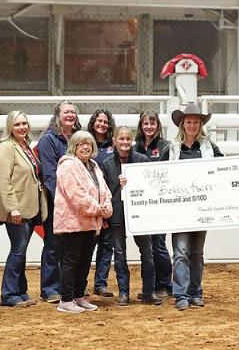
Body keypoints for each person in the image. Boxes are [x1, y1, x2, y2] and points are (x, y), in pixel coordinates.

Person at [169, 103, 224, 311]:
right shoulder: (172, 148)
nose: (192, 125)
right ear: (182, 125)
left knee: (197, 252)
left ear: (200, 125)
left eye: (195, 122)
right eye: (188, 121)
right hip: (180, 208)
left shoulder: (210, 148)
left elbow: (224, 169)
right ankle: (181, 294)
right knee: (181, 251)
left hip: (202, 207)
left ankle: (195, 292)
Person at [101, 126, 162, 306]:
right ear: (114, 141)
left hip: (140, 215)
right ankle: (124, 293)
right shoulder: (106, 164)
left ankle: (148, 292)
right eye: (122, 139)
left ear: (132, 141)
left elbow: (151, 186)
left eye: (128, 139)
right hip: (117, 215)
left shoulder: (143, 160)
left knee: (148, 254)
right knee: (119, 255)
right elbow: (104, 192)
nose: (125, 142)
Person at [54, 130, 112, 313]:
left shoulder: (94, 165)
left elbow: (104, 191)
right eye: (81, 144)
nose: (85, 147)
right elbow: (76, 196)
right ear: (74, 147)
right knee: (71, 261)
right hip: (73, 223)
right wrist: (97, 209)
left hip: (90, 223)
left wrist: (106, 207)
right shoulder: (68, 166)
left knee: (84, 262)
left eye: (88, 143)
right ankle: (66, 299)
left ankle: (78, 296)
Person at [0, 110, 48, 307]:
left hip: (30, 208)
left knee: (21, 250)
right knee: (18, 250)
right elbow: (3, 180)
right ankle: (8, 294)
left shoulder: (24, 146)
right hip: (17, 210)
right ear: (10, 127)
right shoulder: (6, 148)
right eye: (17, 124)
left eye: (24, 123)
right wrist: (12, 208)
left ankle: (20, 290)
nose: (22, 127)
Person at [36, 101, 81, 304]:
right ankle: (49, 289)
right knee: (53, 245)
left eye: (73, 112)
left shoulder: (78, 138)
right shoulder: (48, 140)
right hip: (58, 203)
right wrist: (64, 200)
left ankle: (66, 287)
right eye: (66, 112)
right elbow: (49, 175)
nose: (70, 115)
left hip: (76, 202)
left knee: (70, 248)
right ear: (57, 115)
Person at [133, 110, 173, 299]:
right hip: (141, 205)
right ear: (141, 126)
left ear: (158, 125)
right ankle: (149, 287)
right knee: (146, 249)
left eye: (152, 123)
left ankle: (164, 284)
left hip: (160, 205)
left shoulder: (166, 147)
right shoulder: (135, 148)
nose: (149, 126)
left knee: (159, 245)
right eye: (145, 123)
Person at [88, 108, 117, 297]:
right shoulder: (85, 142)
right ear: (93, 122)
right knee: (86, 247)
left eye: (105, 122)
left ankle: (100, 284)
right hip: (89, 204)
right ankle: (79, 284)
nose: (102, 124)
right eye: (99, 121)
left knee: (107, 246)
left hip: (109, 202)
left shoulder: (113, 145)